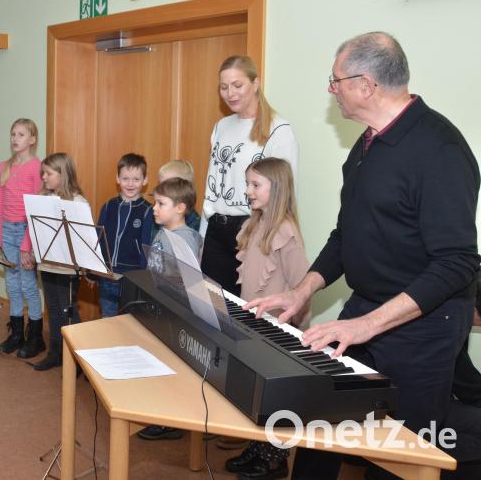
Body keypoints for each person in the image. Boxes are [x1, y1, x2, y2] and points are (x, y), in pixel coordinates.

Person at [247, 32, 479, 480]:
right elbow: (345, 233)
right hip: (365, 312)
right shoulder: (367, 142)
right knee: (319, 424)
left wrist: (366, 325)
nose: (330, 90)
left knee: (397, 456)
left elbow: (457, 263)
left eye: (335, 81)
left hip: (423, 330)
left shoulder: (441, 151)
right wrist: (301, 292)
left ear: (365, 84)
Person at [218, 158, 310, 480]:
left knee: (278, 399)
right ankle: (257, 448)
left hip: (280, 331)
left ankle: (274, 458)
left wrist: (295, 330)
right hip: (254, 325)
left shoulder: (286, 232)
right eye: (248, 184)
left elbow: (302, 287)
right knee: (255, 392)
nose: (248, 191)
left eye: (255, 185)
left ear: (278, 188)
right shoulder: (253, 225)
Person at [201, 56, 298, 297]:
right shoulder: (221, 126)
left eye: (237, 85)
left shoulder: (278, 130)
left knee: (246, 315)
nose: (230, 93)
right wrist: (203, 235)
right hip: (216, 230)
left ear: (255, 84)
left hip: (254, 231)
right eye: (224, 87)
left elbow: (283, 195)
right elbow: (212, 186)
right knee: (212, 312)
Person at [137, 176, 203, 442]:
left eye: (161, 203)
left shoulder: (186, 238)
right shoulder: (164, 232)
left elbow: (187, 279)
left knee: (171, 367)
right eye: (155, 202)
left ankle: (171, 421)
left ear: (180, 208)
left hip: (176, 311)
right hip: (159, 305)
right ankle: (159, 413)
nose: (154, 208)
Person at [0, 118, 45, 358]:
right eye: (13, 134)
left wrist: (27, 246)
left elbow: (36, 209)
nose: (15, 138)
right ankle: (16, 334)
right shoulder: (4, 166)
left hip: (26, 232)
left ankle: (35, 337)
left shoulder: (37, 167)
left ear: (32, 139)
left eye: (21, 134)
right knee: (12, 283)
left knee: (28, 285)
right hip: (6, 230)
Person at [33, 152, 89, 371]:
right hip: (48, 264)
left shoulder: (78, 202)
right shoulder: (44, 199)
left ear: (63, 174)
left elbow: (83, 239)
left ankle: (76, 359)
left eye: (48, 173)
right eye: (43, 173)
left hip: (69, 268)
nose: (44, 177)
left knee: (68, 310)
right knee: (54, 309)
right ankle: (55, 353)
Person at [96, 153, 153, 317]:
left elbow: (146, 246)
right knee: (108, 319)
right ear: (117, 178)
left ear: (145, 180)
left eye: (136, 179)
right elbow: (98, 239)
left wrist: (144, 279)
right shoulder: (108, 206)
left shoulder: (148, 211)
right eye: (125, 178)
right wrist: (93, 272)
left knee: (129, 323)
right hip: (107, 276)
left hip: (132, 279)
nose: (130, 183)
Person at [157, 159, 201, 231]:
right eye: (160, 185)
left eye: (167, 186)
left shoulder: (194, 223)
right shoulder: (158, 213)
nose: (160, 190)